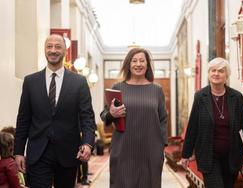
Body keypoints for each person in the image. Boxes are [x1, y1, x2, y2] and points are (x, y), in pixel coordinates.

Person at [14, 34, 96, 188]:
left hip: (68, 153)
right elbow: (23, 119)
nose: (53, 50)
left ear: (65, 51)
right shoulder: (30, 81)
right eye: (49, 46)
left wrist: (87, 143)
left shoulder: (79, 82)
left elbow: (87, 117)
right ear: (44, 50)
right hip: (38, 153)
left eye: (58, 47)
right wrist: (18, 151)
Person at [181, 57, 243, 188]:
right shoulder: (200, 97)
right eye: (213, 70)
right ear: (209, 74)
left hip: (232, 156)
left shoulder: (236, 97)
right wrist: (186, 154)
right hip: (208, 157)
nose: (216, 74)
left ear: (226, 75)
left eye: (220, 71)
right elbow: (193, 127)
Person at [100, 47, 167, 188]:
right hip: (124, 148)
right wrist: (112, 114)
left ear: (147, 64)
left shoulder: (157, 90)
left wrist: (161, 146)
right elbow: (104, 115)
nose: (138, 64)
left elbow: (163, 120)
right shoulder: (117, 88)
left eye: (142, 61)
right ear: (128, 65)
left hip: (151, 150)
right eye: (134, 61)